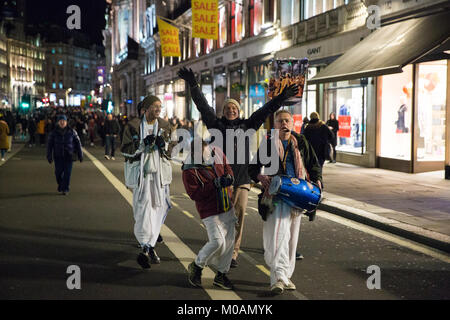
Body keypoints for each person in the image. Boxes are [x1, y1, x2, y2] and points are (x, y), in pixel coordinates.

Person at [178, 67, 299, 269]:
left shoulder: (247, 126)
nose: (231, 111)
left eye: (234, 108)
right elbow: (203, 106)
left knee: (239, 216)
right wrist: (193, 85)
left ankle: (233, 253)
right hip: (222, 182)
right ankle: (222, 248)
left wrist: (280, 99)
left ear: (239, 111)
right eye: (227, 109)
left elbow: (265, 110)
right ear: (223, 111)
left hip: (242, 180)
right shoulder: (216, 125)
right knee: (223, 218)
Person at [248, 110, 322, 295]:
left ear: (293, 123)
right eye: (280, 121)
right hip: (277, 195)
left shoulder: (301, 142)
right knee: (279, 236)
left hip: (299, 195)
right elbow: (253, 168)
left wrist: (317, 179)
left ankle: (286, 275)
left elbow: (313, 164)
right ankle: (278, 277)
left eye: (287, 120)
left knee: (291, 240)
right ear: (275, 125)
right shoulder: (268, 144)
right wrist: (260, 176)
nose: (284, 124)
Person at [120, 95, 173, 269]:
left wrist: (163, 145)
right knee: (142, 208)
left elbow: (172, 149)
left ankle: (147, 246)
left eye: (160, 106)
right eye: (155, 106)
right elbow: (125, 150)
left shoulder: (165, 126)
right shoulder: (133, 126)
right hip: (142, 176)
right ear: (146, 108)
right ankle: (147, 245)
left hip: (159, 176)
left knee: (159, 208)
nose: (158, 109)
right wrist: (142, 145)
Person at [182, 139, 236, 290]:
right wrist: (215, 184)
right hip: (209, 210)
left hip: (226, 204)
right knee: (218, 242)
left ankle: (221, 275)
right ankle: (197, 266)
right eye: (201, 157)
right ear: (193, 154)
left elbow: (227, 167)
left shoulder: (217, 152)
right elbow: (194, 194)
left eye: (207, 155)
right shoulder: (189, 170)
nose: (206, 159)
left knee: (230, 242)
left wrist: (229, 177)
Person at [46, 115, 83, 195]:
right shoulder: (53, 133)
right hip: (58, 156)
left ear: (66, 122)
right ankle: (61, 185)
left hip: (69, 155)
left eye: (64, 121)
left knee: (67, 173)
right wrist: (49, 156)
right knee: (58, 173)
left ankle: (65, 189)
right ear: (58, 122)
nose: (62, 122)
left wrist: (80, 155)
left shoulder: (72, 132)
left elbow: (78, 143)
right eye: (60, 121)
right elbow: (49, 145)